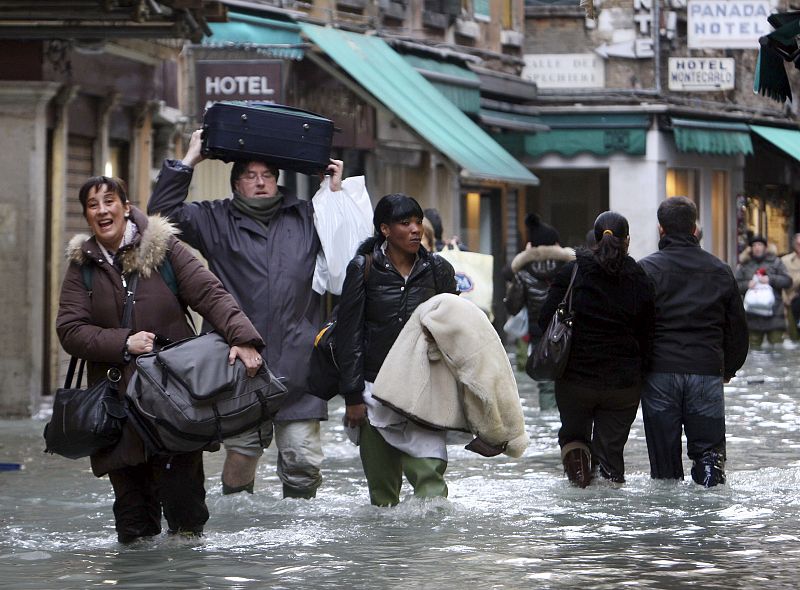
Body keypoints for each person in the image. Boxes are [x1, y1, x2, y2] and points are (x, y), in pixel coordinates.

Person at [56, 176, 264, 543]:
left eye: (109, 201)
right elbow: (70, 330)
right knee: (133, 525)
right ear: (86, 215)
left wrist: (243, 339)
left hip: (176, 403)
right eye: (93, 205)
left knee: (186, 517)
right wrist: (124, 343)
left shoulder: (166, 249)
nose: (102, 211)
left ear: (125, 204)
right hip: (116, 408)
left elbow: (211, 295)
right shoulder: (82, 266)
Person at [148, 130, 343, 499]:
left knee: (303, 462)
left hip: (301, 365)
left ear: (276, 181)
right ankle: (238, 537)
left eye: (266, 175)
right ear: (236, 183)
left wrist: (334, 191)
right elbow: (161, 216)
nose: (259, 182)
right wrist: (189, 159)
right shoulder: (214, 219)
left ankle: (301, 545)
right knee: (241, 453)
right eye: (250, 176)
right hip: (239, 365)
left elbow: (346, 243)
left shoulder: (307, 215)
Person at [336, 194, 458, 506]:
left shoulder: (438, 270)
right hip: (374, 391)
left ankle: (432, 554)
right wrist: (352, 397)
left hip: (425, 391)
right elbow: (348, 336)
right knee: (383, 500)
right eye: (406, 223)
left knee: (433, 494)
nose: (416, 229)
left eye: (418, 222)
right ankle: (386, 556)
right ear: (385, 230)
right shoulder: (362, 269)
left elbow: (456, 333)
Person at [639, 196, 749, 487]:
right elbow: (737, 329)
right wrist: (728, 369)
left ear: (661, 230)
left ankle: (669, 527)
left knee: (664, 466)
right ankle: (708, 518)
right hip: (706, 369)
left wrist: (639, 368)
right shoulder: (720, 270)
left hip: (659, 371)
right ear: (695, 229)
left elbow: (635, 326)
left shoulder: (646, 270)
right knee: (710, 455)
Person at [539, 211, 654, 487]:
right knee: (610, 453)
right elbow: (649, 333)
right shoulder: (640, 278)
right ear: (627, 241)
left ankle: (580, 483)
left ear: (594, 238)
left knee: (574, 439)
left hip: (575, 379)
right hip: (622, 385)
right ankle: (610, 499)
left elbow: (545, 319)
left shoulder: (573, 272)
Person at [505, 213, 574, 411]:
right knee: (569, 379)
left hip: (540, 333)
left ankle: (549, 414)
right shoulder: (571, 268)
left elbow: (512, 306)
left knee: (546, 382)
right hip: (569, 330)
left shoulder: (523, 272)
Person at [734, 235, 792, 349]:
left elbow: (787, 281)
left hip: (774, 316)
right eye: (754, 245)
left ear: (765, 247)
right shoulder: (744, 265)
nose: (757, 248)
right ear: (751, 248)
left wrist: (770, 279)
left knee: (777, 351)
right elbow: (735, 286)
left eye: (760, 245)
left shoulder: (776, 262)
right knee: (753, 351)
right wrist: (747, 284)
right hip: (752, 318)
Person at [780, 233, 800, 340]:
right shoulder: (785, 261)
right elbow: (782, 283)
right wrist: (784, 301)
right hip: (791, 302)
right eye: (798, 244)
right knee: (793, 336)